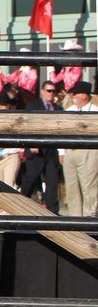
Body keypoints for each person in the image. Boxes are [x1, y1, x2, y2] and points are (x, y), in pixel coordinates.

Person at [20, 80, 61, 214]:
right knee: (30, 178)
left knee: (52, 183)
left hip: (51, 151)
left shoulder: (58, 109)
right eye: (49, 91)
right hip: (36, 149)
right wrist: (31, 143)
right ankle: (21, 206)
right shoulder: (33, 105)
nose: (51, 94)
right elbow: (26, 125)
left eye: (53, 91)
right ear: (43, 91)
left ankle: (52, 213)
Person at [63, 81, 98, 216]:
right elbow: (62, 132)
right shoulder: (69, 111)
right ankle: (75, 218)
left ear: (84, 95)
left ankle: (91, 217)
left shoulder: (95, 111)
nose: (73, 96)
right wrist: (61, 151)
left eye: (75, 94)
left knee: (89, 186)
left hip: (89, 151)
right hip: (70, 151)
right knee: (72, 187)